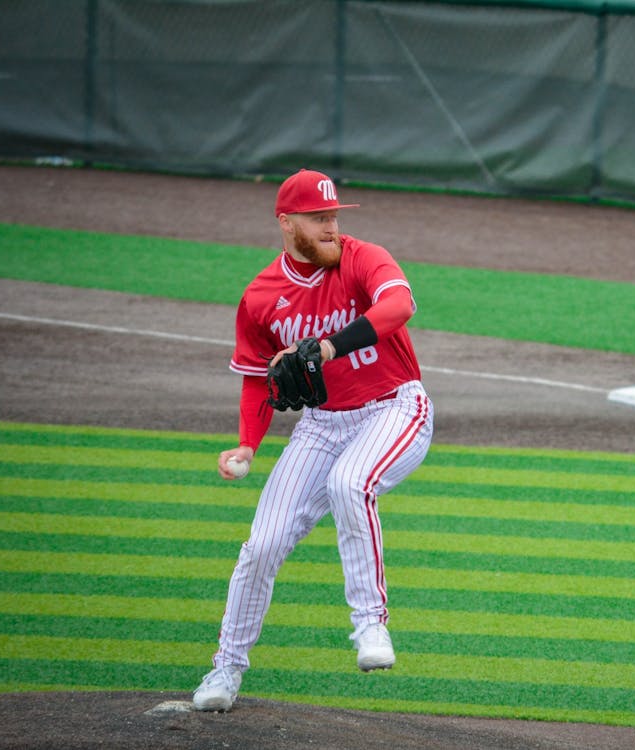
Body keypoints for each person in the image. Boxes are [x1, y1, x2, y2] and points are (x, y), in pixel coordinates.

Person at [192, 168, 434, 711]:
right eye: (318, 218)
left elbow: (399, 307)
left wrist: (327, 347)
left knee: (352, 484)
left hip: (395, 407)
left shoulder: (363, 257)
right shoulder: (260, 298)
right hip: (323, 425)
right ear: (286, 223)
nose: (330, 227)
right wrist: (248, 443)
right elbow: (259, 378)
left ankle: (370, 626)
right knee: (262, 547)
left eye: (334, 217)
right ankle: (225, 670)